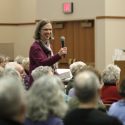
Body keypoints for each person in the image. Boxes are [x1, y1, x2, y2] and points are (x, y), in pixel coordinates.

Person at [29, 19, 67, 87]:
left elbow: (50, 66)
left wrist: (60, 76)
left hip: (47, 81)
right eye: (46, 29)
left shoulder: (48, 46)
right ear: (39, 31)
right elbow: (43, 64)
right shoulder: (35, 47)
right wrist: (58, 55)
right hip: (38, 84)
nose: (48, 32)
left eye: (50, 29)